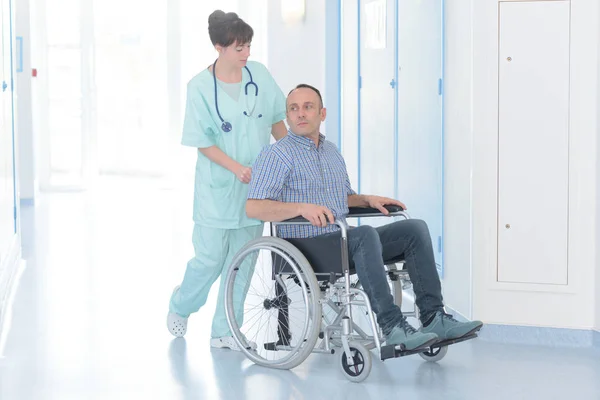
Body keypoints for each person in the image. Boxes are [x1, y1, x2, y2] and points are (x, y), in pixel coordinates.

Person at [246, 84, 483, 351]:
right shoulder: (276, 155)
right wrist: (301, 207)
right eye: (294, 108)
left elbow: (343, 198)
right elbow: (254, 207)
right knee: (363, 235)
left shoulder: (331, 152)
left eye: (308, 107)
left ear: (322, 114)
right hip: (306, 247)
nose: (300, 113)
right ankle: (393, 328)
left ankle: (434, 318)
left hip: (339, 239)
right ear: (287, 116)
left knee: (414, 229)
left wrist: (367, 199)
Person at [167, 10, 288, 350]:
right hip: (217, 189)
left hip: (256, 189)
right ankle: (182, 304)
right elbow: (202, 140)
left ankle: (225, 330)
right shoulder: (200, 87)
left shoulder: (259, 75)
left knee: (244, 259)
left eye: (248, 45)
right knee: (209, 260)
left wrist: (295, 155)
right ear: (219, 47)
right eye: (239, 47)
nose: (246, 53)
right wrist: (235, 167)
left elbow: (277, 119)